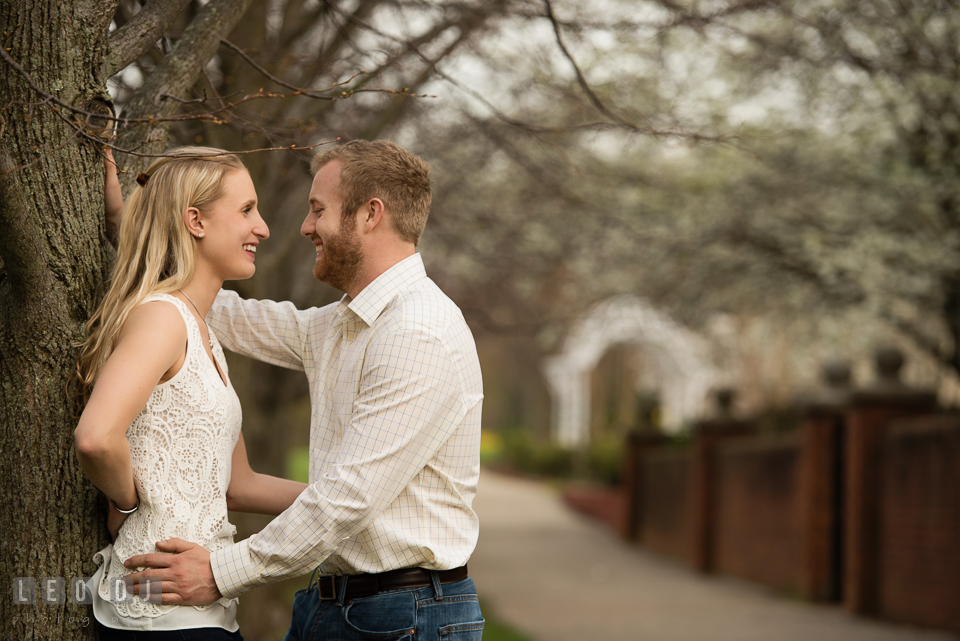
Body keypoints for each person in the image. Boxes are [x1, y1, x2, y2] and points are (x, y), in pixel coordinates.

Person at [122, 140, 486, 640]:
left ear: (369, 215)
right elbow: (219, 310)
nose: (304, 226)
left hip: (405, 616)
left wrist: (220, 572)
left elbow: (346, 499)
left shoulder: (415, 333)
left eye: (318, 210)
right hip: (342, 604)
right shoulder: (347, 324)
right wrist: (139, 235)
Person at [76, 146, 307, 640]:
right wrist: (128, 502)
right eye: (246, 210)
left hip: (207, 610)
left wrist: (350, 504)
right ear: (195, 221)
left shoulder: (204, 334)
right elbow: (96, 437)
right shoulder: (163, 318)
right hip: (159, 614)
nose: (263, 228)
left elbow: (237, 484)